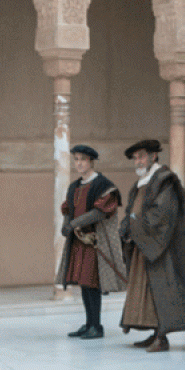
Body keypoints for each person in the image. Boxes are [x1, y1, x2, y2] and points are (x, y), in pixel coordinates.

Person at [117, 139, 185, 351]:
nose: (138, 161)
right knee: (147, 291)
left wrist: (136, 225)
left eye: (141, 156)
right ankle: (154, 333)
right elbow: (131, 211)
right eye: (135, 158)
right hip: (143, 245)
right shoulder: (140, 183)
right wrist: (126, 225)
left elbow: (161, 214)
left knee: (161, 291)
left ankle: (162, 337)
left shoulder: (165, 181)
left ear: (154, 156)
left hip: (159, 248)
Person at [57, 144, 124, 339]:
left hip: (95, 242)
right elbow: (68, 208)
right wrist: (66, 224)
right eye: (76, 159)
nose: (79, 163)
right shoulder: (74, 186)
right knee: (83, 283)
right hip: (79, 242)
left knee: (92, 283)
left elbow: (99, 212)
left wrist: (75, 223)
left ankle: (97, 326)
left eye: (83, 160)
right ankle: (89, 324)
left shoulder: (103, 185)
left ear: (91, 162)